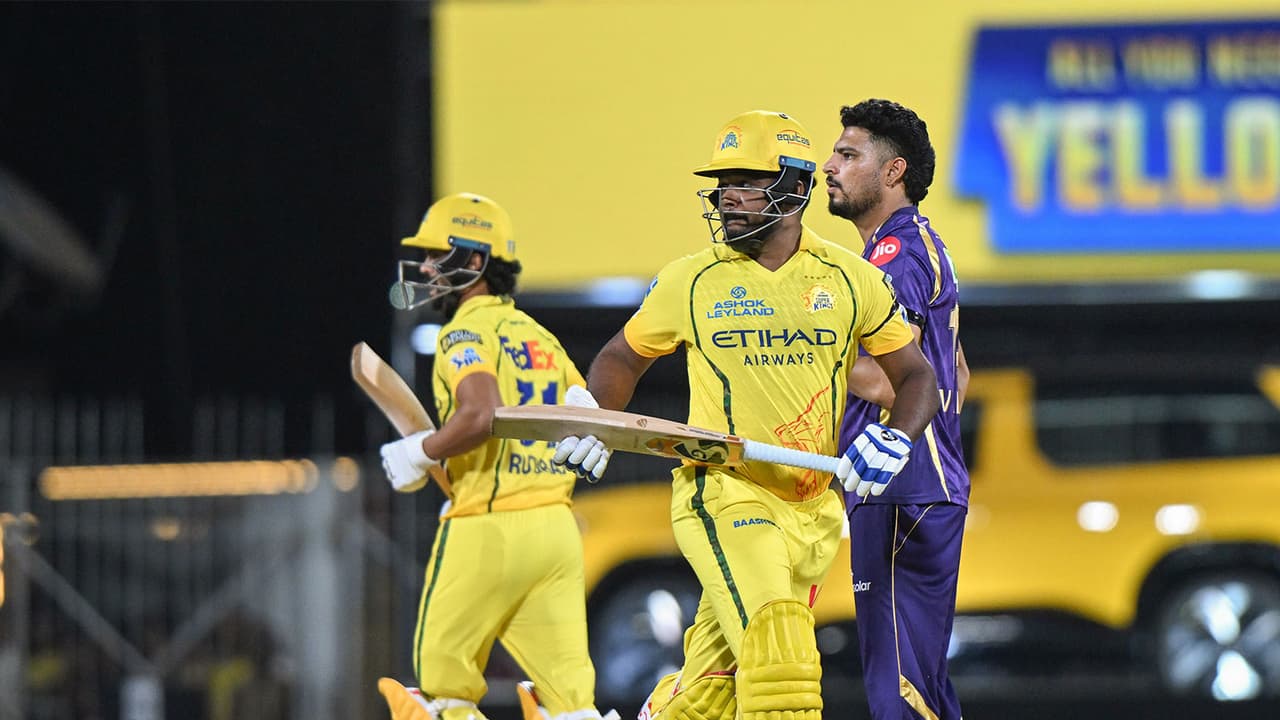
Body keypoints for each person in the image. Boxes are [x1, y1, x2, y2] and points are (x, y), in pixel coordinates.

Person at [558, 110, 940, 720]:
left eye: (746, 181)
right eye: (723, 182)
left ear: (794, 186)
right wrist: (596, 415)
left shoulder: (852, 278)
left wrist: (896, 438)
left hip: (814, 510)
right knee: (781, 658)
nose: (728, 196)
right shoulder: (692, 280)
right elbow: (620, 358)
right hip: (726, 491)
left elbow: (918, 376)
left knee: (712, 690)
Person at [376, 192, 615, 720]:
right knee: (573, 705)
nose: (429, 268)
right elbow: (590, 419)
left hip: (488, 527)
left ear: (475, 261)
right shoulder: (543, 338)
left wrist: (420, 451)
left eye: (439, 256)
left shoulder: (463, 330)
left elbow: (480, 413)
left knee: (442, 691)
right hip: (555, 530)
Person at [823, 99, 970, 720]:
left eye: (848, 154)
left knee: (900, 695)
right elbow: (957, 375)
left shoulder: (892, 257)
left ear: (893, 172)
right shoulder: (923, 246)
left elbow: (896, 384)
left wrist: (794, 361)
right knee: (921, 687)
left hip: (900, 493)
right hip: (920, 490)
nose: (828, 166)